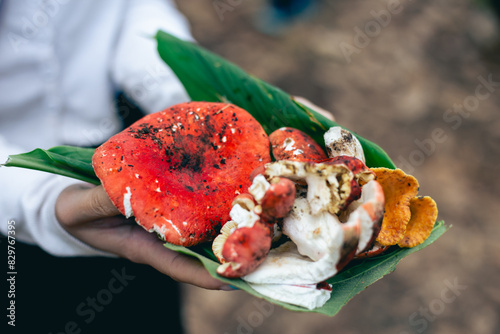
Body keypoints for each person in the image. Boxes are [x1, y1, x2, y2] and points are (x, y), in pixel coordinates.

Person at [0, 1, 230, 332]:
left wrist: (183, 104)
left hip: (130, 163)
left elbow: (129, 9)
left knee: (143, 313)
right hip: (10, 208)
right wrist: (37, 202)